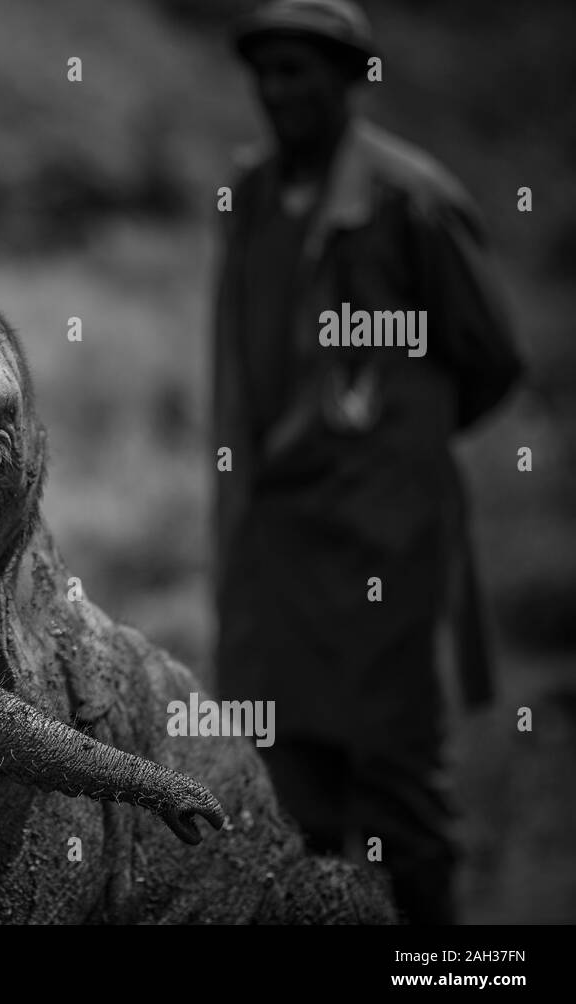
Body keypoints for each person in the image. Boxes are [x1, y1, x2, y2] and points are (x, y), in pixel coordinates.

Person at [211, 0, 524, 924]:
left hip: (384, 542)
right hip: (277, 546)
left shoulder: (409, 200)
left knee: (400, 788)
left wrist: (392, 441)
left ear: (351, 79)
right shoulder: (253, 195)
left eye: (301, 71)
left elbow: (493, 359)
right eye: (267, 72)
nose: (280, 92)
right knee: (286, 796)